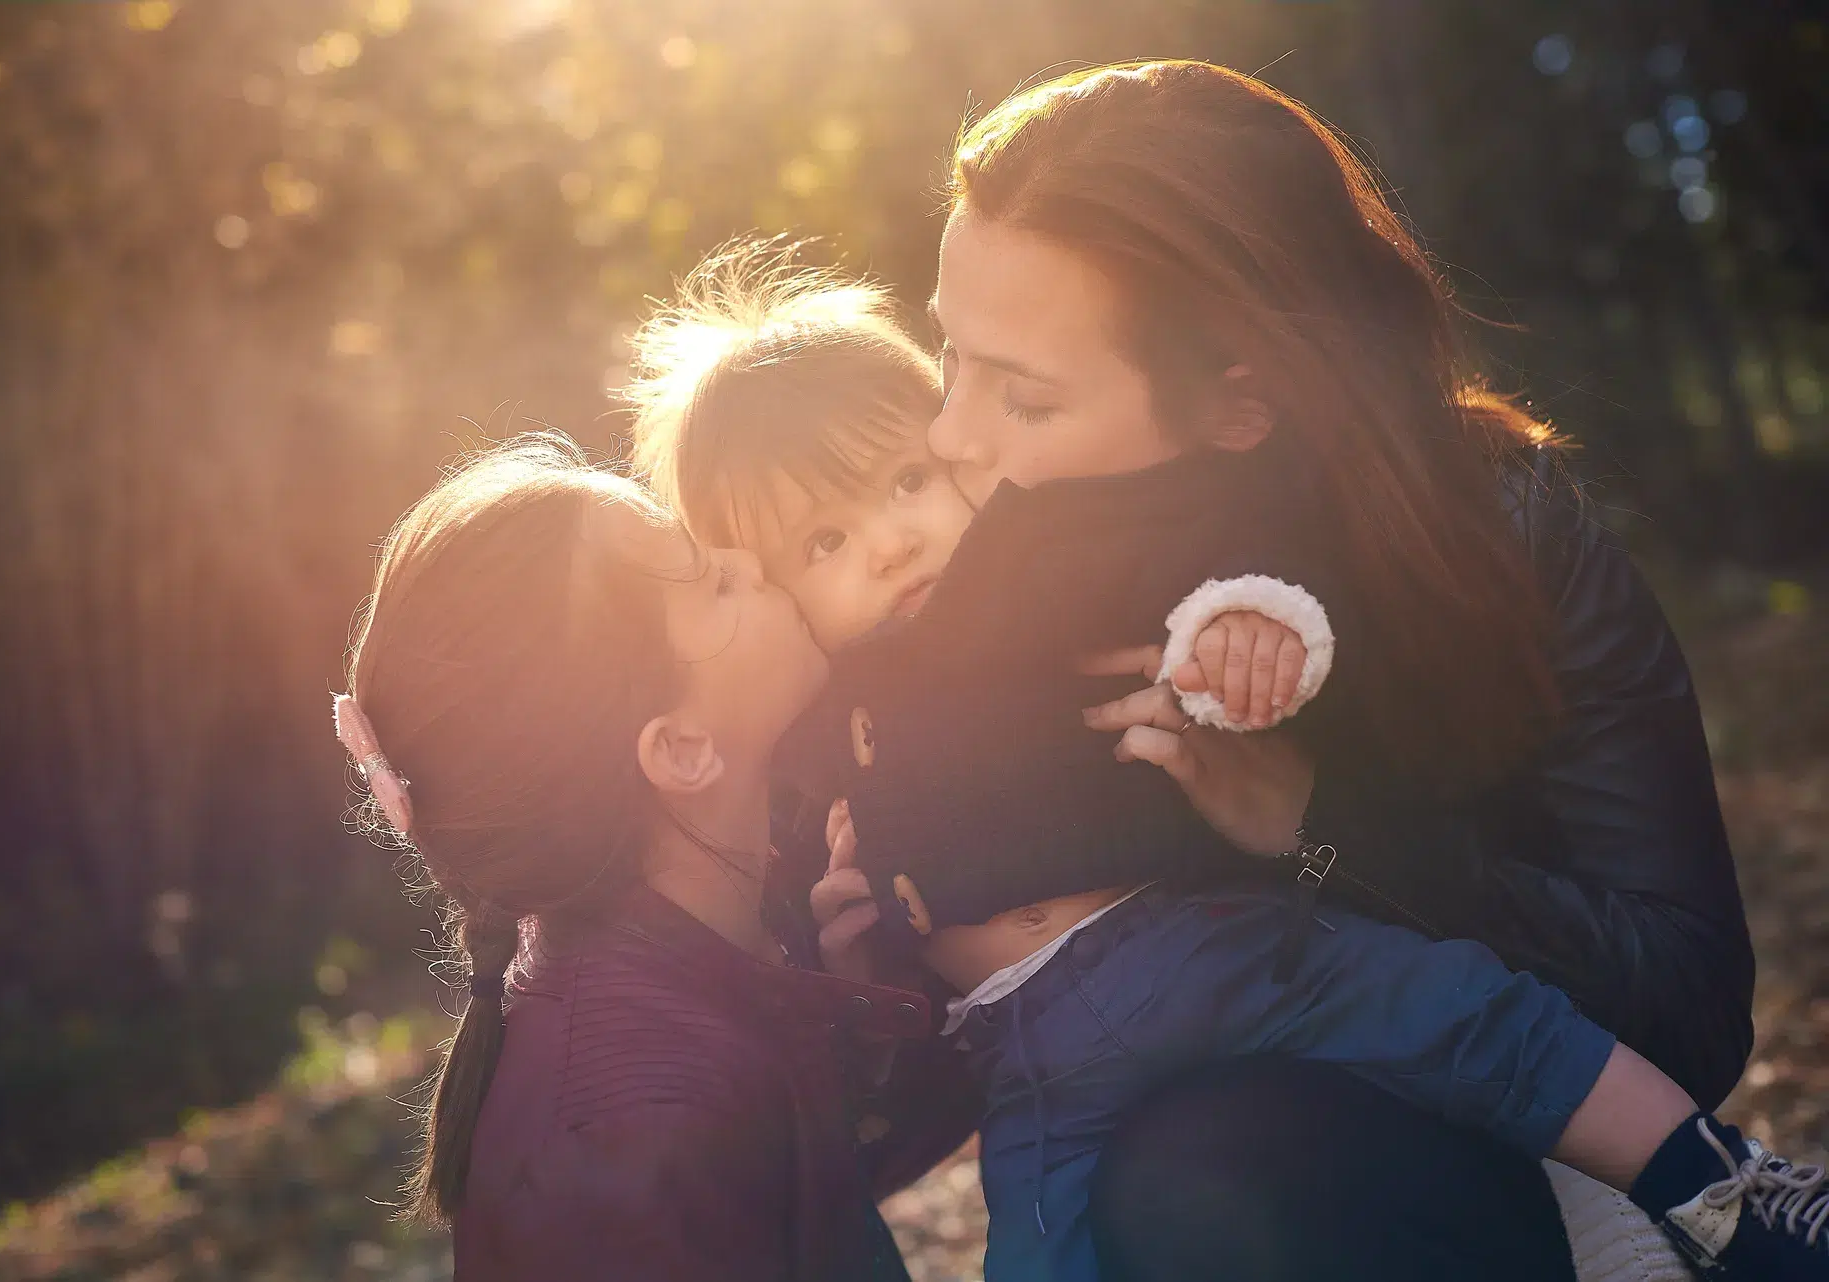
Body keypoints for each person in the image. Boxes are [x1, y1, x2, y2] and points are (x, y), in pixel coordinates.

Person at [620, 245, 1826, 1281]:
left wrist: (1246, 629)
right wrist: (862, 953)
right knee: (1045, 1248)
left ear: (959, 446)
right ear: (779, 591)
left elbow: (1202, 578)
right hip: (1034, 1049)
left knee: (1463, 1016)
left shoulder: (1038, 569)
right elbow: (889, 1000)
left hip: (1211, 947)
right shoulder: (827, 724)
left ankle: (1716, 1190)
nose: (889, 543)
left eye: (906, 481)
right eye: (825, 541)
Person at [924, 59, 1760, 1282]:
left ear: (1239, 408)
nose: (950, 435)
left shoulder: (1498, 533)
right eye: (947, 353)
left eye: (1025, 399)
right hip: (1161, 1143)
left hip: (1478, 1160)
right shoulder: (954, 566)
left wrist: (1318, 823)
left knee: (1211, 1167)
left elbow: (1687, 1008)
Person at [331, 438, 979, 1282]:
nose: (748, 560)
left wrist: (854, 1021)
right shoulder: (629, 1139)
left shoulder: (731, 939)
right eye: (712, 580)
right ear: (680, 749)